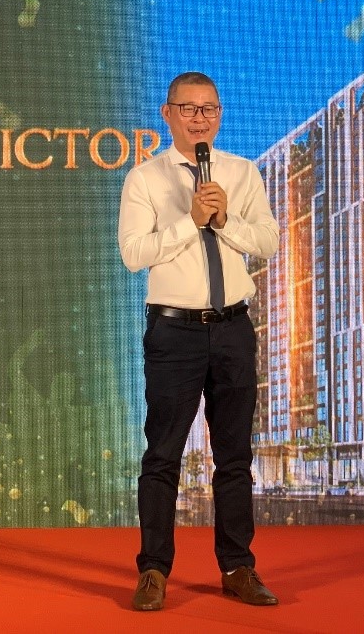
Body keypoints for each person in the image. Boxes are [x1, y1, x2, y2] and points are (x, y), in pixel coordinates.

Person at [118, 71, 280, 611]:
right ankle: (153, 570)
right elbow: (134, 254)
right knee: (163, 455)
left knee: (234, 456)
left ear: (220, 114)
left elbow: (268, 242)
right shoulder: (144, 178)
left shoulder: (242, 172)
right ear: (167, 115)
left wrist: (225, 219)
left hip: (233, 328)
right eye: (188, 109)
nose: (199, 118)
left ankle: (238, 567)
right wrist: (191, 221)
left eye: (209, 108)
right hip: (174, 331)